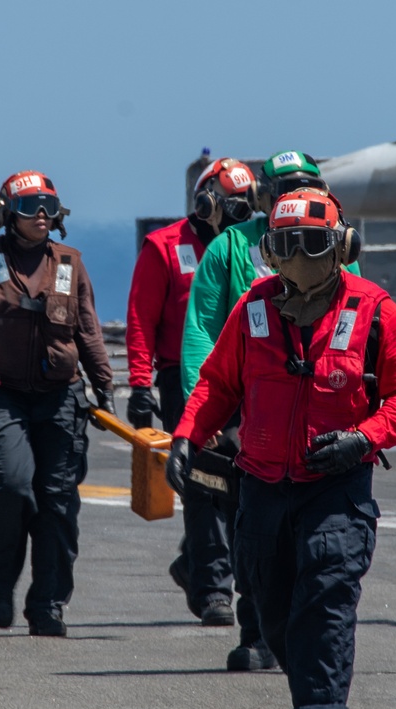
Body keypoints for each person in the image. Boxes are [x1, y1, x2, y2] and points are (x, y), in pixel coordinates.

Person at [168, 189, 396, 709]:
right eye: (286, 245)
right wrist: (186, 435)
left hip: (336, 484)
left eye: (312, 243)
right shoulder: (253, 309)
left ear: (341, 247)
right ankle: (308, 679)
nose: (299, 257)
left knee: (328, 595)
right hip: (260, 484)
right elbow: (217, 384)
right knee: (271, 603)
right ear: (269, 252)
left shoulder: (374, 309)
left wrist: (365, 437)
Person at [180, 150, 353, 672]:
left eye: (309, 184)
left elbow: (358, 324)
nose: (300, 193)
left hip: (319, 418)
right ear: (263, 195)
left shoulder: (335, 244)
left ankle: (304, 630)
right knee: (251, 529)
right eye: (287, 186)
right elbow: (200, 334)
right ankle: (256, 631)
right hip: (246, 416)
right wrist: (200, 420)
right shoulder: (230, 247)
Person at [0, 170, 115, 637]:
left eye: (48, 205)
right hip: (0, 393)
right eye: (30, 204)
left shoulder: (69, 263)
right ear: (5, 213)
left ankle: (48, 604)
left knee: (57, 502)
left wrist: (106, 388)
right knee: (13, 487)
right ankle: (1, 581)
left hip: (60, 396)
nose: (41, 213)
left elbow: (89, 331)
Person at [125, 157, 256, 628]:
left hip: (246, 377)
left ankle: (196, 563)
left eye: (247, 202)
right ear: (206, 202)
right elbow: (140, 321)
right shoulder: (164, 248)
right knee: (204, 486)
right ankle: (214, 589)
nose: (240, 211)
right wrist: (140, 385)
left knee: (241, 483)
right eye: (231, 202)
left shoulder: (250, 248)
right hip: (187, 378)